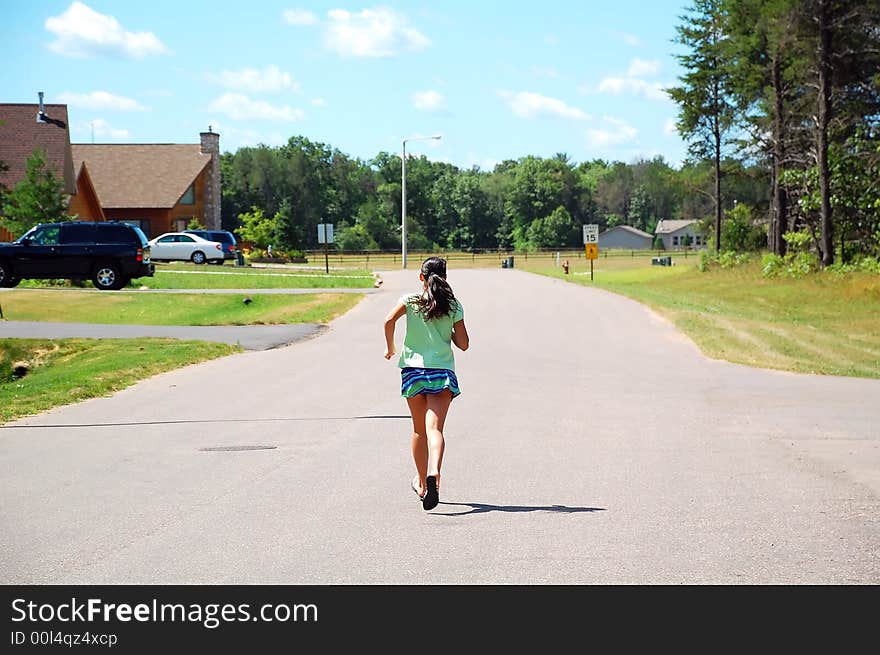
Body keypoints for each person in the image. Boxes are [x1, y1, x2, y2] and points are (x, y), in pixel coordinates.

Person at [383, 257, 469, 511]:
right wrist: (448, 328)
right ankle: (435, 474)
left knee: (419, 430)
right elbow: (463, 344)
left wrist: (390, 349)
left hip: (413, 372)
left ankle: (422, 483)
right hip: (441, 373)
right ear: (445, 277)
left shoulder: (410, 301)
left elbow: (388, 321)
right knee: (435, 429)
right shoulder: (452, 305)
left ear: (421, 277)